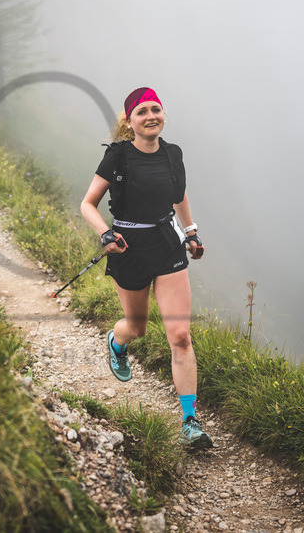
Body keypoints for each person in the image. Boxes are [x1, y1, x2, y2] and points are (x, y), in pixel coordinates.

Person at [79, 87, 212, 448]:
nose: (151, 116)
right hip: (127, 247)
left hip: (166, 245)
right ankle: (117, 341)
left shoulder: (173, 154)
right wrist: (106, 234)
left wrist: (191, 232)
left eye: (156, 109)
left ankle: (190, 423)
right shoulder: (117, 157)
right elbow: (88, 204)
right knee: (137, 327)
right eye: (142, 112)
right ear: (130, 122)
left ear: (163, 114)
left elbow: (178, 194)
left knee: (180, 336)